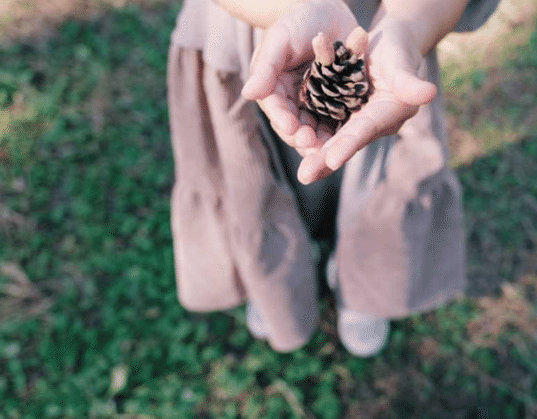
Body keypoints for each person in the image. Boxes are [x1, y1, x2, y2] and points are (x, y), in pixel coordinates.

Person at [166, 0, 499, 356]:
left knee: (372, 177)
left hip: (378, 42)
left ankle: (362, 280)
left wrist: (405, 27)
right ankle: (276, 274)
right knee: (252, 175)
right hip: (240, 24)